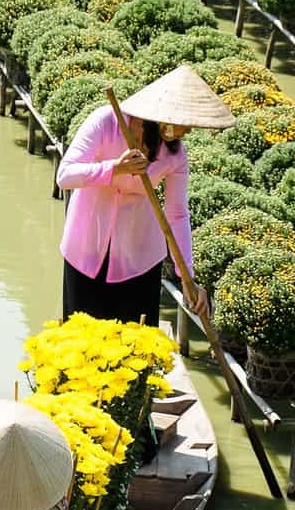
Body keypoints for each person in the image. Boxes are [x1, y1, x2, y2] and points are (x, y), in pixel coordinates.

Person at [56, 65, 235, 325]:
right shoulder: (107, 122)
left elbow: (177, 213)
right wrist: (115, 168)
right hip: (86, 249)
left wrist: (187, 276)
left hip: (138, 256)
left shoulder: (175, 155)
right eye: (182, 123)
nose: (186, 132)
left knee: (135, 348)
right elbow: (65, 176)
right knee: (83, 346)